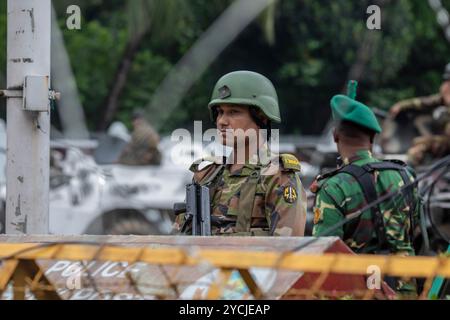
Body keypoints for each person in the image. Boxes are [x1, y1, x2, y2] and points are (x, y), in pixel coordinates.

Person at [311, 81, 420, 294]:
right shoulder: (406, 175)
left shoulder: (334, 186)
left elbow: (324, 251)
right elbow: (414, 230)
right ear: (372, 138)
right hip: (406, 288)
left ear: (335, 136)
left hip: (359, 290)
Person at [174, 71, 307, 236]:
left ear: (261, 117)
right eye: (220, 112)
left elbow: (288, 250)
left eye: (234, 112)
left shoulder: (277, 176)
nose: (222, 121)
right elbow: (178, 240)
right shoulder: (207, 174)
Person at [389, 63, 450, 165]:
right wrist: (401, 105)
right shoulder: (443, 96)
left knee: (421, 144)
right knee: (420, 135)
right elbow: (423, 102)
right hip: (445, 142)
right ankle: (409, 173)